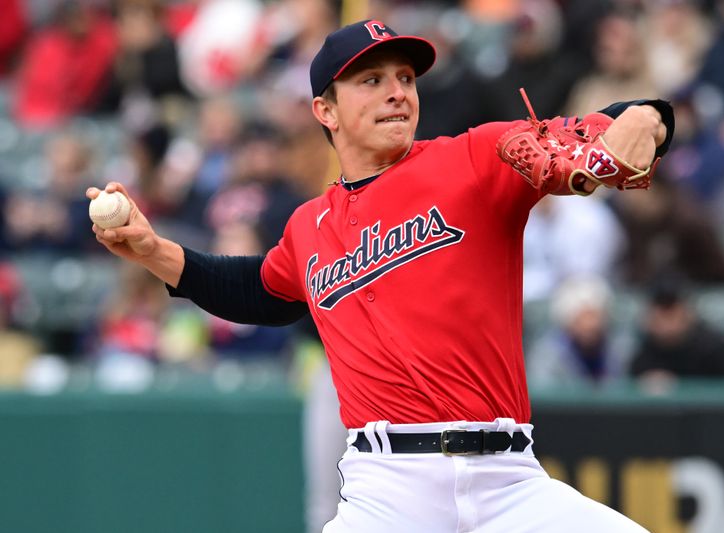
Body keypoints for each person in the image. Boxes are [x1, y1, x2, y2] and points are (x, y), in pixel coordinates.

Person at [88, 19, 672, 533]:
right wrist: (153, 250)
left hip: (510, 481)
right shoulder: (309, 226)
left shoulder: (473, 157)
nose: (397, 93)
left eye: (406, 79)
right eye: (371, 81)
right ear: (325, 110)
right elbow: (259, 291)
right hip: (390, 490)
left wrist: (646, 117)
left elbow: (600, 131)